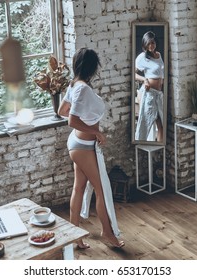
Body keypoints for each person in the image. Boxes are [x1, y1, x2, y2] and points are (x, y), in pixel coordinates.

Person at [58, 48, 125, 249]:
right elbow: (71, 120)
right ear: (92, 67)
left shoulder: (74, 85)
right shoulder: (83, 89)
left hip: (79, 144)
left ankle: (75, 235)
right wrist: (96, 132)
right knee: (102, 189)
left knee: (79, 187)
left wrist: (88, 126)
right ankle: (107, 232)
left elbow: (61, 111)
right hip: (83, 146)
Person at [135, 31, 165, 142]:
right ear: (145, 45)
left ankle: (159, 152)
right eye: (148, 44)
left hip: (159, 94)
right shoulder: (142, 57)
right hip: (149, 93)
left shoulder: (159, 55)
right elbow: (133, 73)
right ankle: (140, 148)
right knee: (145, 125)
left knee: (162, 125)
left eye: (152, 43)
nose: (151, 46)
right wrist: (145, 80)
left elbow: (160, 74)